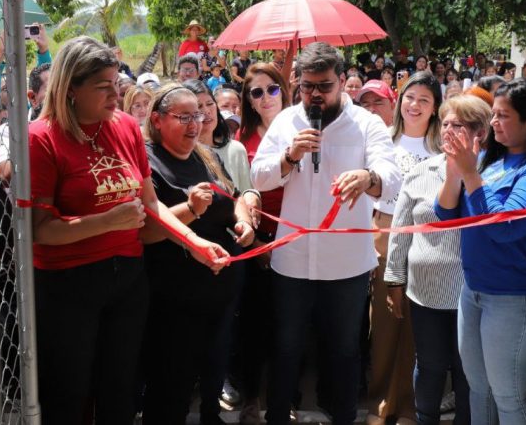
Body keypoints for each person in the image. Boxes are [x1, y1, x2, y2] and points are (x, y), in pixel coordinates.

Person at [28, 36, 228, 424]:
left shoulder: (124, 127)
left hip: (128, 282)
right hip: (69, 285)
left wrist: (196, 242)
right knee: (68, 393)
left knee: (119, 390)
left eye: (116, 83)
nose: (115, 95)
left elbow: (150, 206)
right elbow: (41, 231)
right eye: (103, 87)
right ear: (71, 89)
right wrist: (105, 221)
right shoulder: (42, 138)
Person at [250, 42, 402, 425]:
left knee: (344, 351)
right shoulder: (286, 121)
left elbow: (393, 177)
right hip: (293, 260)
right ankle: (278, 417)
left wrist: (369, 177)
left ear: (342, 82)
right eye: (307, 86)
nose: (315, 95)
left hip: (346, 264)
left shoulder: (367, 124)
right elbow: (258, 174)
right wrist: (289, 156)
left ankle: (343, 417)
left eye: (325, 86)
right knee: (286, 349)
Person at [435, 78, 526, 424]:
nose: (493, 123)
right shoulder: (492, 163)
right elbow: (447, 216)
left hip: (515, 298)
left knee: (508, 396)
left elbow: (505, 226)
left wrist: (469, 173)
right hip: (475, 291)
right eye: (493, 114)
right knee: (479, 390)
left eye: (503, 116)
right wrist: (455, 174)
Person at [140, 84, 254, 425]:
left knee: (212, 378)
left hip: (218, 297)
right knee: (170, 389)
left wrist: (243, 223)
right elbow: (146, 230)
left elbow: (234, 199)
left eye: (199, 116)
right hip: (173, 303)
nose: (195, 125)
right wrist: (190, 208)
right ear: (157, 120)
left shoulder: (206, 155)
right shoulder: (147, 161)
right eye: (184, 117)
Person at [386, 95, 491, 425]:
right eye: (445, 123)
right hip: (425, 293)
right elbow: (401, 229)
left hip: (473, 294)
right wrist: (394, 279)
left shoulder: (491, 175)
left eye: (457, 125)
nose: (448, 130)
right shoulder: (421, 172)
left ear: (480, 133)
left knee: (466, 370)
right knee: (430, 365)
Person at [367, 71, 444, 425]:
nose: (414, 105)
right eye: (409, 97)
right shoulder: (383, 141)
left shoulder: (442, 147)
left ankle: (411, 406)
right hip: (384, 235)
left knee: (419, 327)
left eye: (424, 100)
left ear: (435, 108)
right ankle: (380, 403)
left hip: (429, 242)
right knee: (383, 323)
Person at [234, 62, 291, 424]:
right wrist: (256, 244)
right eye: (257, 91)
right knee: (254, 324)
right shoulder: (241, 140)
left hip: (298, 237)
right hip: (255, 241)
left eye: (272, 88)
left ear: (284, 91)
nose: (266, 97)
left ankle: (287, 397)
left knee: (291, 326)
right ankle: (251, 397)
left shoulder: (305, 129)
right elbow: (240, 191)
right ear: (249, 100)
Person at [184, 80, 253, 192]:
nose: (206, 111)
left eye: (210, 104)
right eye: (198, 106)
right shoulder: (180, 154)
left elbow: (246, 194)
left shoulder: (236, 149)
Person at [0, 23, 52, 104]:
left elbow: (45, 80)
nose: (9, 85)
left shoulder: (29, 108)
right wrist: (0, 52)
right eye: (5, 87)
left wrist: (44, 49)